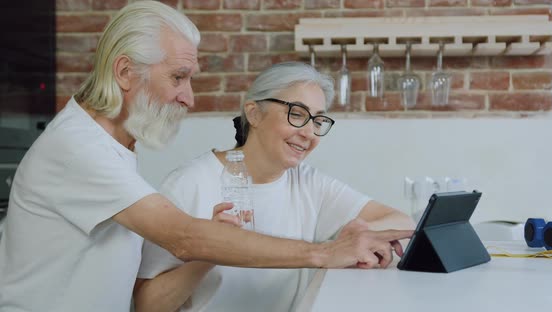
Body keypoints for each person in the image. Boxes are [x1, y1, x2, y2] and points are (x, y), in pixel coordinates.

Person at [0, 2, 413, 312]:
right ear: (126, 72)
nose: (190, 97)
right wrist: (325, 252)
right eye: (178, 77)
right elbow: (183, 238)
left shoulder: (114, 145)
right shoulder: (79, 146)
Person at [133, 62, 416, 312]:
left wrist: (349, 240)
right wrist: (209, 252)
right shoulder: (189, 184)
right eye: (297, 114)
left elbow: (401, 222)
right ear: (254, 114)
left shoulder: (307, 181)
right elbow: (148, 305)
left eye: (318, 120)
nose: (308, 133)